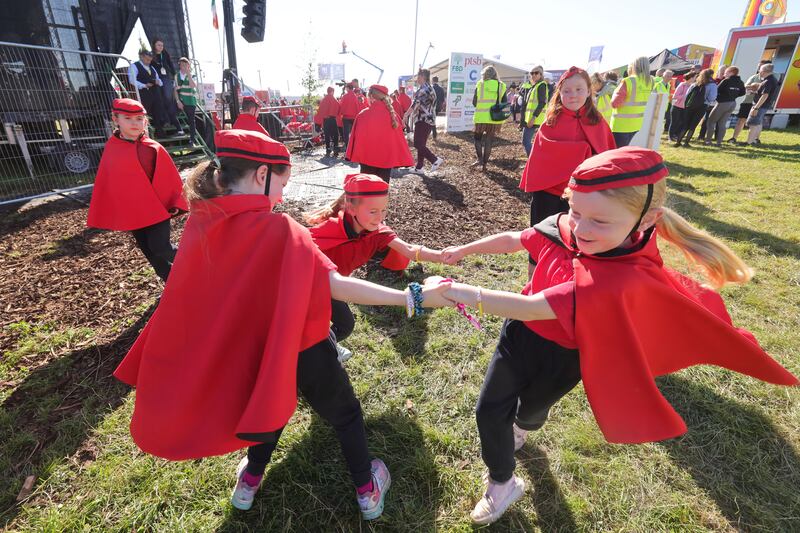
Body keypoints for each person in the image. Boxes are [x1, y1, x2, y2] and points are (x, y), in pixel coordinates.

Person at [438, 146, 798, 525]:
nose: (580, 229)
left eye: (598, 221)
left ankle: (522, 428)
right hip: (519, 336)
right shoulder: (574, 225)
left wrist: (461, 294)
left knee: (531, 411)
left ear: (647, 220)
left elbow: (533, 306)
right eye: (575, 211)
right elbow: (518, 239)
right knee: (488, 410)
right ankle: (502, 482)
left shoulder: (618, 280)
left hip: (565, 355)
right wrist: (461, 250)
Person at [113, 129, 450, 519]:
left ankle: (249, 483)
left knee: (268, 412)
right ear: (261, 175)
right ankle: (367, 490)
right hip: (305, 344)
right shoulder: (281, 229)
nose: (282, 197)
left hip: (259, 350)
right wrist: (414, 297)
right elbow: (335, 284)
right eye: (282, 184)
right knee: (345, 414)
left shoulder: (200, 222)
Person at [306, 173, 444, 361]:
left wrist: (441, 255)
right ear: (351, 208)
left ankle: (322, 349)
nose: (380, 217)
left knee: (345, 326)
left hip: (335, 287)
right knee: (311, 326)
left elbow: (410, 250)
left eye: (384, 210)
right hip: (309, 284)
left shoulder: (378, 232)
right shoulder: (326, 230)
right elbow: (295, 252)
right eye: (373, 211)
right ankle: (310, 355)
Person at [519, 67, 615, 274]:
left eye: (579, 89)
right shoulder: (551, 122)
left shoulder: (598, 123)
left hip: (582, 198)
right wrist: (584, 151)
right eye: (567, 90)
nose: (573, 95)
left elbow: (608, 159)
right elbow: (543, 159)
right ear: (559, 93)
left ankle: (565, 280)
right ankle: (532, 280)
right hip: (548, 193)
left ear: (589, 91)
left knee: (575, 241)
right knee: (540, 239)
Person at [86, 98, 187, 281]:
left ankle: (198, 264)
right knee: (151, 255)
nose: (135, 123)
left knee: (161, 248)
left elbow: (170, 180)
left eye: (139, 119)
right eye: (128, 118)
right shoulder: (112, 148)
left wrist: (173, 203)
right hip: (133, 213)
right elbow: (109, 183)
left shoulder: (153, 148)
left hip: (157, 210)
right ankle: (173, 284)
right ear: (115, 119)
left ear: (145, 122)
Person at [345, 84, 414, 182]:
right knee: (382, 188)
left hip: (366, 159)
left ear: (371, 96)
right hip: (386, 160)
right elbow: (398, 141)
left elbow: (356, 140)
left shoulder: (362, 115)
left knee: (366, 188)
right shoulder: (393, 116)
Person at [128, 49, 182, 137]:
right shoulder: (134, 66)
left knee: (157, 112)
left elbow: (160, 80)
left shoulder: (152, 68)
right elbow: (132, 80)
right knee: (145, 113)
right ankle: (145, 133)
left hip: (156, 93)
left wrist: (158, 82)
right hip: (144, 94)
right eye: (147, 59)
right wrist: (144, 85)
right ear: (141, 57)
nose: (149, 61)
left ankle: (159, 132)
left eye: (150, 60)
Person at [610, 57, 654, 147]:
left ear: (633, 66)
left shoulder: (628, 81)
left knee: (617, 153)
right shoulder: (650, 81)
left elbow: (614, 103)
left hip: (621, 126)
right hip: (637, 124)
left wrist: (614, 92)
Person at [407, 69, 443, 174]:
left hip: (423, 119)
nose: (417, 79)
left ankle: (434, 160)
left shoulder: (423, 89)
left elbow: (415, 104)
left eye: (418, 76)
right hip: (428, 120)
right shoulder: (430, 88)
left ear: (423, 76)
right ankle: (419, 167)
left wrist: (405, 115)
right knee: (421, 144)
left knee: (418, 144)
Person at [472, 65, 507, 172]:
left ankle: (479, 159)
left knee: (477, 139)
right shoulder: (502, 86)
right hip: (494, 118)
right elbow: (504, 102)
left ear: (484, 74)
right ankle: (485, 165)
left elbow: (474, 102)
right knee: (489, 141)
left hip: (481, 117)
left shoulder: (480, 84)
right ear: (495, 74)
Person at [728, 61, 770, 144]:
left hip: (759, 103)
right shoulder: (754, 77)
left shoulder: (770, 79)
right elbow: (745, 86)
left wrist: (757, 87)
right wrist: (754, 86)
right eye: (759, 67)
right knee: (741, 119)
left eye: (761, 67)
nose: (759, 69)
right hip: (748, 101)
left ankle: (755, 139)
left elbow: (768, 91)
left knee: (757, 122)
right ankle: (734, 138)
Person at [703, 66, 745, 146]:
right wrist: (733, 95)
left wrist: (722, 96)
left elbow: (717, 90)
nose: (724, 74)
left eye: (726, 72)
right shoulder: (740, 82)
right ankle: (719, 142)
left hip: (722, 103)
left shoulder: (726, 81)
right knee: (722, 123)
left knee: (711, 121)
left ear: (732, 72)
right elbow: (743, 93)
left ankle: (708, 141)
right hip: (732, 103)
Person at [673, 68, 714, 147]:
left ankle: (678, 142)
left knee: (685, 125)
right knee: (693, 126)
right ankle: (686, 142)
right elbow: (711, 98)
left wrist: (686, 105)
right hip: (701, 107)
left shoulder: (694, 84)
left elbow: (687, 95)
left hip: (689, 106)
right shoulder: (710, 86)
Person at [745, 63, 779, 147]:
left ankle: (749, 142)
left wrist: (756, 107)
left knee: (753, 124)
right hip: (764, 105)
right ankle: (754, 140)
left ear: (764, 71)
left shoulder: (768, 81)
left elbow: (765, 95)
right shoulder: (772, 79)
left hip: (760, 105)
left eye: (760, 70)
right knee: (758, 123)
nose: (759, 72)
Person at [151, 38, 181, 131]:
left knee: (168, 97)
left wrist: (174, 74)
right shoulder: (151, 55)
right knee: (161, 99)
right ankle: (165, 120)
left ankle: (173, 119)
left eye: (162, 45)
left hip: (166, 77)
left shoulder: (165, 54)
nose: (160, 47)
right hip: (157, 78)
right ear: (154, 46)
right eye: (158, 45)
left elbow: (170, 65)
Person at [521, 66, 548, 157]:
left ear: (541, 74)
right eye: (532, 73)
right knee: (526, 141)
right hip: (531, 119)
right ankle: (533, 160)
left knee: (525, 141)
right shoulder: (535, 86)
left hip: (534, 119)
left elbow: (542, 103)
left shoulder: (541, 85)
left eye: (536, 73)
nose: (533, 75)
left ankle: (533, 160)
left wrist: (533, 117)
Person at [174, 57, 199, 145]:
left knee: (191, 121)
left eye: (185, 65)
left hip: (191, 101)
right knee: (171, 112)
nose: (183, 66)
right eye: (181, 65)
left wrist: (189, 74)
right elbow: (175, 90)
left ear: (188, 66)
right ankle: (180, 130)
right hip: (181, 100)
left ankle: (192, 139)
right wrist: (178, 101)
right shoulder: (177, 76)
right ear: (179, 65)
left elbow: (193, 86)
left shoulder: (192, 75)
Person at [668, 71, 696, 142]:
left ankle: (676, 135)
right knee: (674, 122)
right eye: (695, 77)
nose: (696, 79)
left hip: (685, 107)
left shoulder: (692, 86)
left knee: (682, 122)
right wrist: (686, 96)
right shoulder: (682, 85)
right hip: (677, 106)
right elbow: (675, 96)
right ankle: (671, 136)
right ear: (691, 78)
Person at [317, 87, 341, 157]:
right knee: (335, 135)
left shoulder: (323, 100)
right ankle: (335, 150)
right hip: (332, 119)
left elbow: (320, 110)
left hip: (325, 120)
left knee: (327, 135)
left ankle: (328, 150)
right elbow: (338, 106)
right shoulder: (333, 99)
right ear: (332, 91)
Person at [697, 68, 719, 140]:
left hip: (696, 103)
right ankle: (701, 135)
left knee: (694, 120)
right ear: (712, 75)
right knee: (707, 120)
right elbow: (712, 97)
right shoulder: (713, 84)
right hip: (708, 104)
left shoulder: (699, 81)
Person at [339, 83, 361, 148]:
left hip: (346, 117)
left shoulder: (345, 96)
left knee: (346, 133)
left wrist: (340, 114)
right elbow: (357, 107)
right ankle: (354, 147)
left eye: (346, 88)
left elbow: (341, 105)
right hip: (354, 117)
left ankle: (347, 147)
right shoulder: (355, 96)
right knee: (354, 133)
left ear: (348, 88)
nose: (345, 89)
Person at [431, 76, 446, 140]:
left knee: (432, 121)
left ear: (433, 80)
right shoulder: (441, 89)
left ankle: (434, 135)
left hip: (431, 107)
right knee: (433, 120)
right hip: (438, 107)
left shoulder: (431, 88)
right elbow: (443, 100)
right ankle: (434, 135)